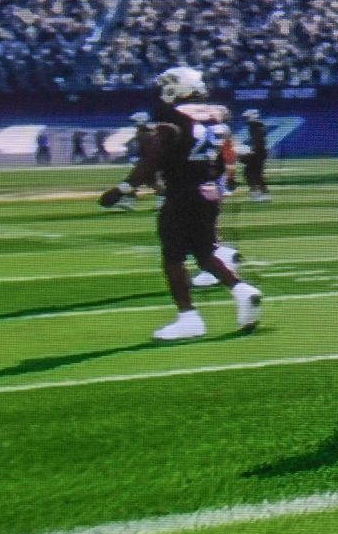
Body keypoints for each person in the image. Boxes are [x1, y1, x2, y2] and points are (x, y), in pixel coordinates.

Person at [97, 66, 262, 341]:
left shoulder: (171, 120)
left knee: (173, 257)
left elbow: (152, 160)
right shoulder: (214, 117)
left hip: (181, 194)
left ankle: (188, 317)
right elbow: (221, 158)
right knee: (205, 253)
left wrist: (123, 189)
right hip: (207, 192)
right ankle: (241, 290)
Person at [239, 109, 273, 201]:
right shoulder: (254, 126)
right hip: (258, 153)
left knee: (255, 174)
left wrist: (251, 152)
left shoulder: (256, 127)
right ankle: (256, 192)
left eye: (248, 117)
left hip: (258, 153)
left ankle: (262, 193)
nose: (246, 119)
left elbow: (259, 142)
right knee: (249, 173)